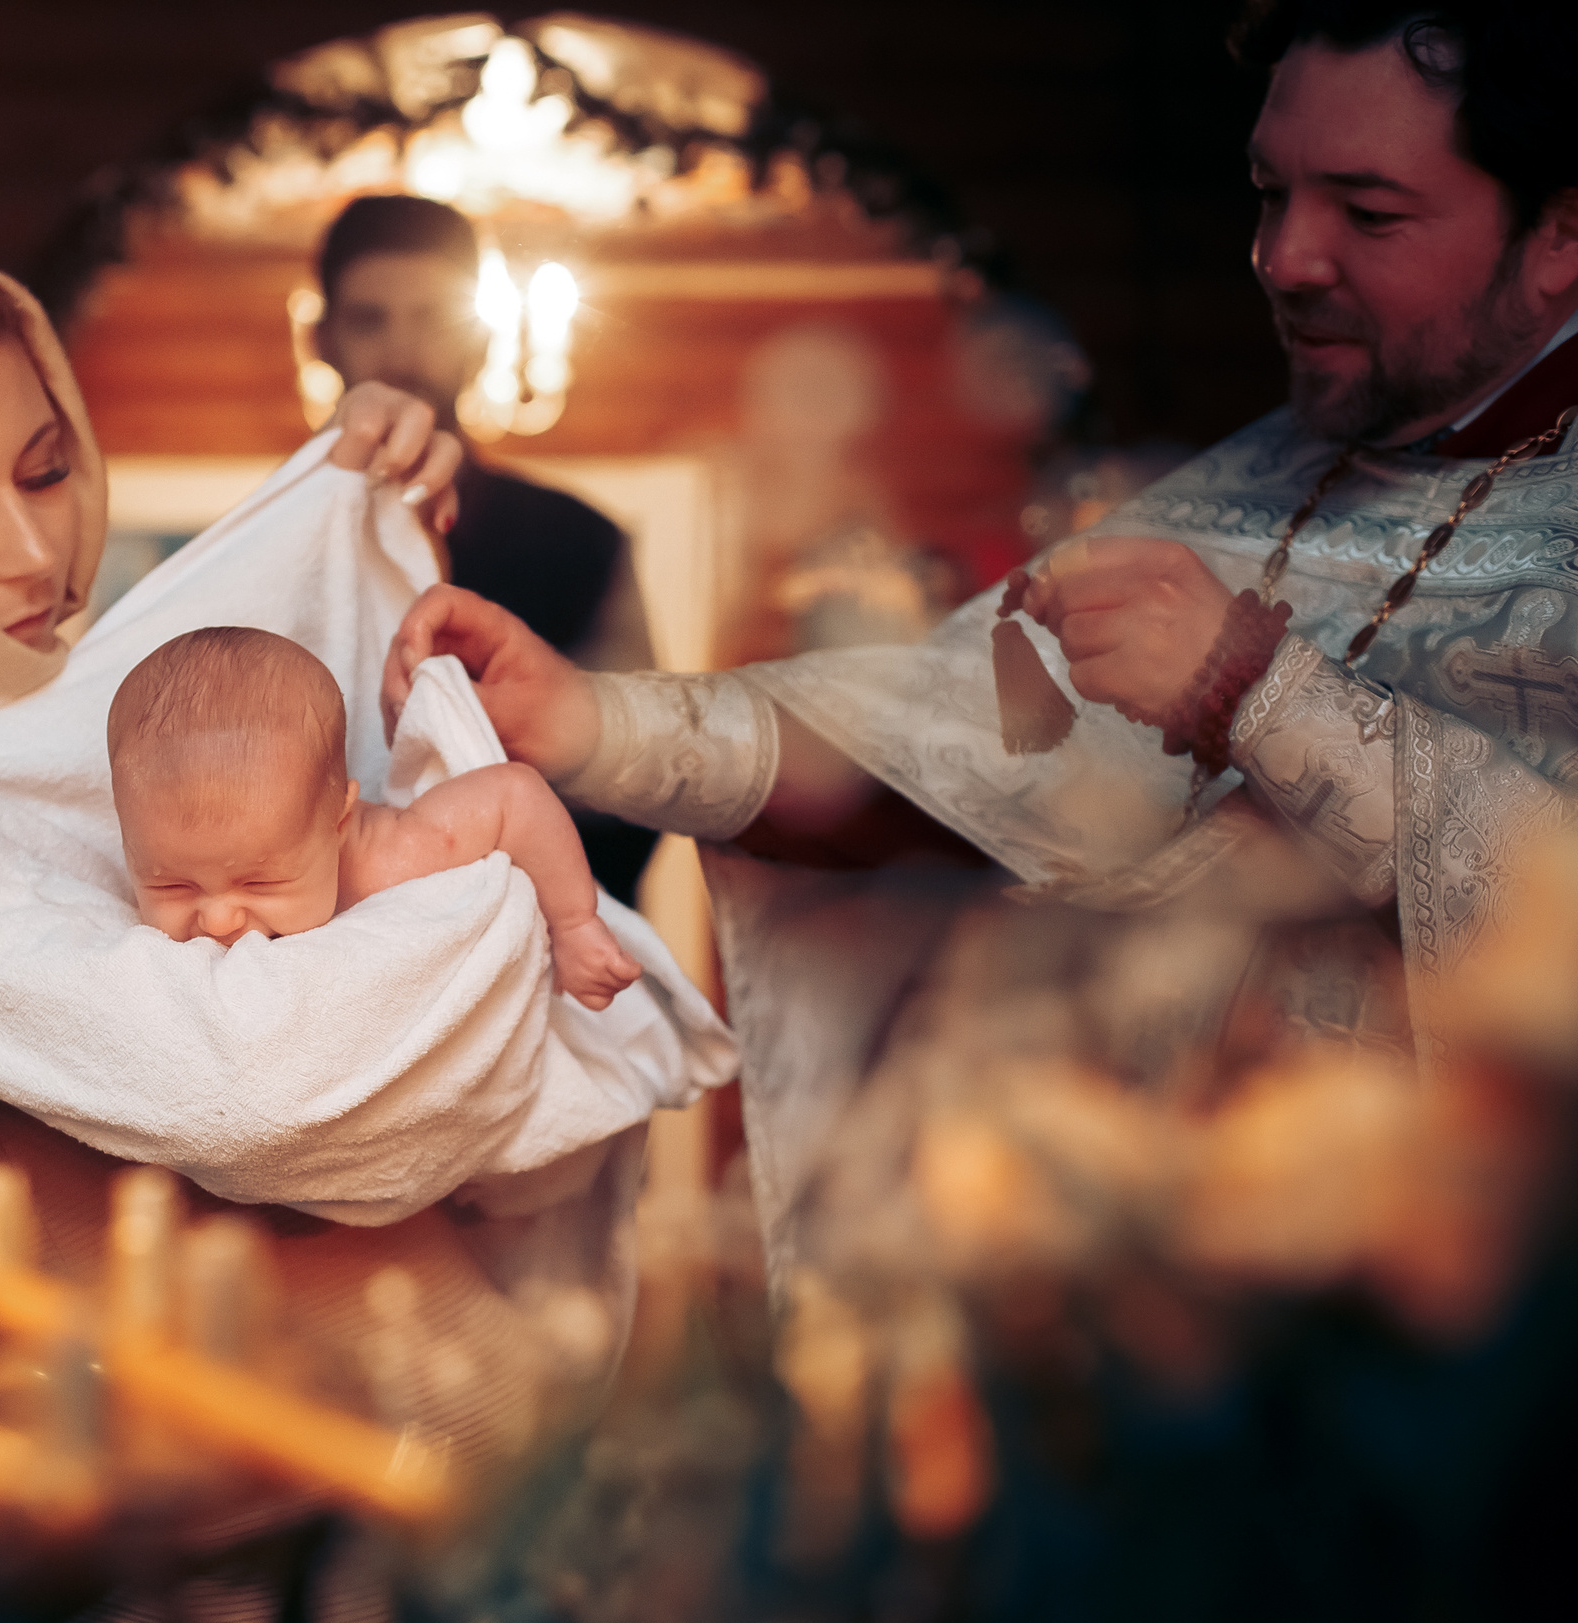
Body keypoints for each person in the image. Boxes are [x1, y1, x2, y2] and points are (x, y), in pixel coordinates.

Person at [384, 0, 1578, 1277]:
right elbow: (931, 748)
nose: (1284, 257)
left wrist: (1259, 692)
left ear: (1560, 235)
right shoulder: (1249, 488)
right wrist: (589, 719)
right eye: (1268, 193)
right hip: (1140, 1294)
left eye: (1367, 212)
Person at [0, 230, 645, 1623]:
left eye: (48, 473)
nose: (34, 554)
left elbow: (288, 788)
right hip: (142, 1540)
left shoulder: (43, 735)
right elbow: (262, 1113)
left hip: (312, 1484)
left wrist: (365, 540)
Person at [313, 194, 664, 902]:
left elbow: (640, 780)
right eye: (369, 319)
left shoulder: (582, 541)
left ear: (479, 341)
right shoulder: (278, 547)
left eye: (433, 318)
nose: (403, 352)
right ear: (321, 342)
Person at [109, 625, 642, 1006]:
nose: (218, 920)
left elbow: (515, 796)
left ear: (338, 820)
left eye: (261, 880)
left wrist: (574, 924)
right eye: (172, 885)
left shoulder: (398, 856)